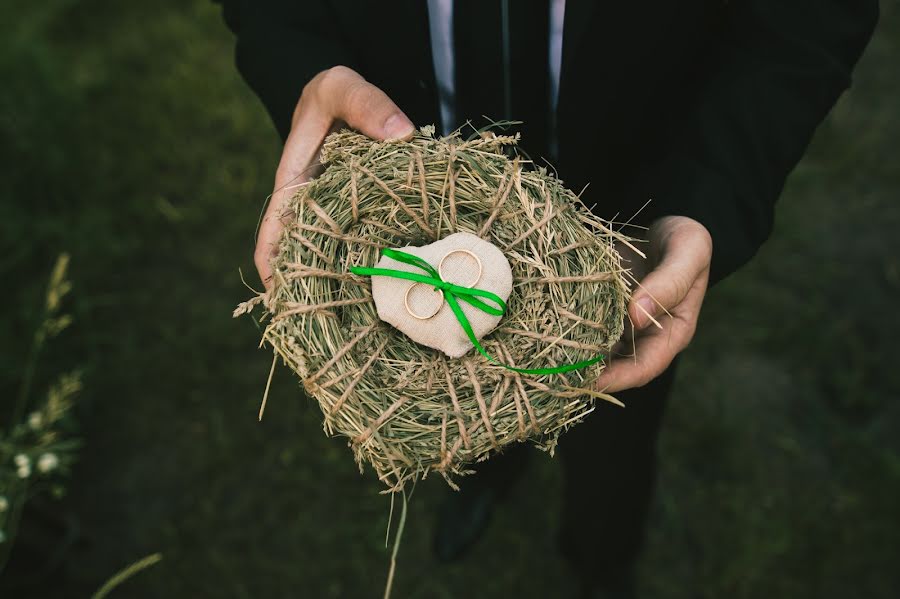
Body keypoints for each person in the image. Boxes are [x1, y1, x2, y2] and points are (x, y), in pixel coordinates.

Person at [218, 1, 877, 596]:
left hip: (625, 224)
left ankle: (602, 559)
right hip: (415, 173)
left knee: (616, 424)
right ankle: (482, 476)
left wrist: (706, 192)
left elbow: (808, 20)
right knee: (465, 401)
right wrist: (305, 70)